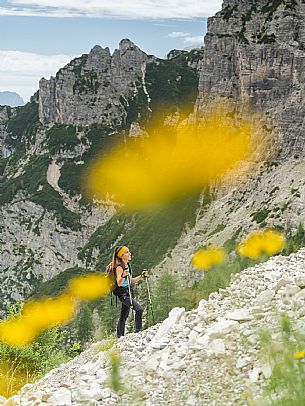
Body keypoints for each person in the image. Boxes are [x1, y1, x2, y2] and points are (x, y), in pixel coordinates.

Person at [108, 245, 148, 338]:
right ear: (122, 255)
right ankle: (139, 332)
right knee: (139, 309)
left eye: (129, 251)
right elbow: (119, 283)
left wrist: (141, 277)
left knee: (124, 316)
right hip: (123, 294)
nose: (129, 253)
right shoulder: (119, 267)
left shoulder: (127, 265)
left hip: (128, 292)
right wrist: (123, 276)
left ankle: (119, 336)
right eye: (127, 252)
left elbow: (130, 281)